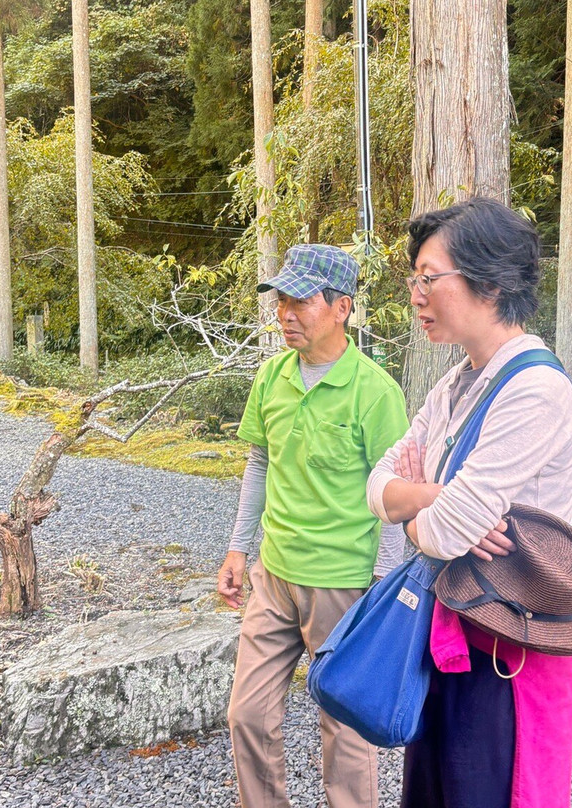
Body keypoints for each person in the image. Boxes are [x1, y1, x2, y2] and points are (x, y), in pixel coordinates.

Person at [366, 198, 572, 808]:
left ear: (489, 281)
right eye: (415, 279)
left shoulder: (536, 388)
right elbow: (377, 487)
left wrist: (419, 509)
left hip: (509, 648)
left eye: (429, 277)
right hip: (451, 631)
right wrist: (431, 500)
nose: (416, 293)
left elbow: (443, 533)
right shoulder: (458, 381)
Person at [218, 243, 410, 808]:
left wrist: (381, 585)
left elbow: (394, 493)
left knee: (345, 736)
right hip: (273, 576)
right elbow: (260, 461)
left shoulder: (375, 392)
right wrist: (238, 550)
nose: (285, 313)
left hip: (344, 585)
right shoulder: (271, 377)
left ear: (341, 307)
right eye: (281, 300)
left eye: (300, 300)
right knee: (247, 715)